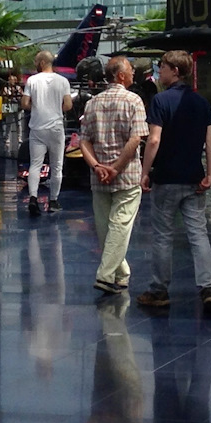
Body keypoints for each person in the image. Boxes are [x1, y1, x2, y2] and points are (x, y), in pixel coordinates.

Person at [136, 50, 211, 317]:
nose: (159, 72)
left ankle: (159, 291)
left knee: (163, 235)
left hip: (167, 178)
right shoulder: (201, 102)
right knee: (198, 234)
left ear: (176, 71)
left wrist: (144, 171)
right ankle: (208, 288)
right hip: (194, 178)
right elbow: (210, 141)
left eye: (162, 67)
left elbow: (153, 140)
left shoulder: (160, 101)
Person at [81, 56, 149, 295]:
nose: (133, 74)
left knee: (105, 229)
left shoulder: (92, 103)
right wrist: (117, 167)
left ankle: (121, 275)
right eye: (130, 70)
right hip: (127, 177)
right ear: (120, 75)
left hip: (99, 178)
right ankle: (106, 275)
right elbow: (136, 138)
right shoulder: (134, 101)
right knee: (119, 227)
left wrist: (97, 166)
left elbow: (84, 140)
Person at [22, 50, 72, 217]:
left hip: (37, 128)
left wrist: (36, 109)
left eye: (36, 61)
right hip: (56, 128)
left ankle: (33, 198)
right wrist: (57, 110)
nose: (35, 64)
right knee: (57, 165)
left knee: (35, 165)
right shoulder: (63, 81)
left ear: (42, 62)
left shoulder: (32, 80)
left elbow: (24, 103)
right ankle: (53, 201)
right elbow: (68, 105)